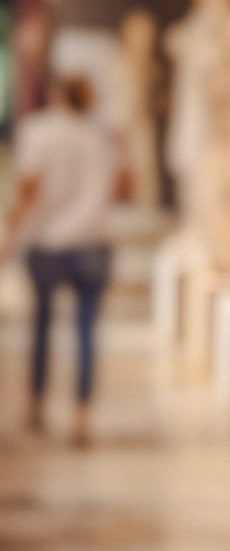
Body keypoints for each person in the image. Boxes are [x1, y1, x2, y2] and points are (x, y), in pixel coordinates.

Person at [0, 74, 124, 445]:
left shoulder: (38, 132)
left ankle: (37, 406)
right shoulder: (100, 138)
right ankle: (81, 416)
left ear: (56, 94)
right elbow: (115, 186)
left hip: (48, 243)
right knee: (86, 331)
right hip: (93, 241)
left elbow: (29, 187)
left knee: (42, 326)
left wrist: (11, 233)